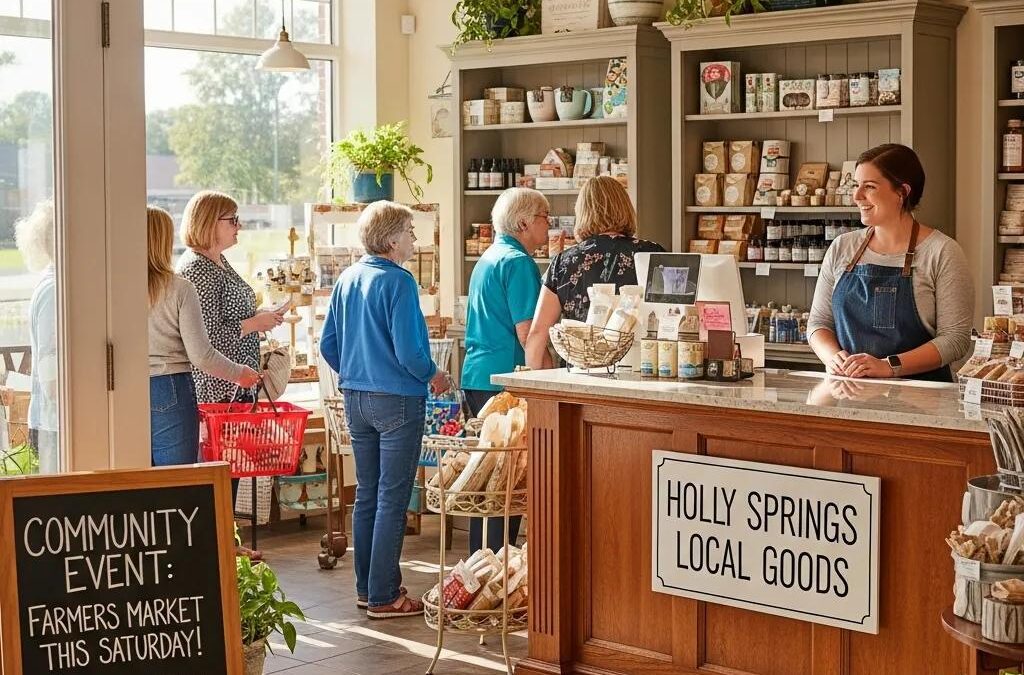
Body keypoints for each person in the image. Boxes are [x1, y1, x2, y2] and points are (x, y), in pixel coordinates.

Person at [320, 201, 449, 619]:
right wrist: (435, 374)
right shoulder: (400, 282)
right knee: (393, 498)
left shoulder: (347, 278)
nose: (414, 239)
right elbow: (410, 353)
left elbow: (328, 345)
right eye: (410, 231)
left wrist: (357, 371)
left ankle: (366, 589)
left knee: (367, 494)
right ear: (392, 240)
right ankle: (384, 596)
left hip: (355, 399)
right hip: (397, 400)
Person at [807, 143, 973, 381]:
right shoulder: (842, 247)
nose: (857, 196)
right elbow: (818, 323)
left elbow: (955, 340)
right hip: (849, 389)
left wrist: (889, 366)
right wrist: (833, 358)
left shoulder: (942, 252)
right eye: (856, 185)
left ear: (902, 192)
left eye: (869, 187)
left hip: (922, 396)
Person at [461, 187, 551, 556]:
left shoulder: (488, 257)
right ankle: (500, 565)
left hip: (476, 376)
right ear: (524, 222)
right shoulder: (518, 263)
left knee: (487, 481)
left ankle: (480, 563)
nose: (549, 226)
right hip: (505, 381)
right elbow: (529, 335)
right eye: (545, 218)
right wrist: (550, 379)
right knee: (508, 483)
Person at [147, 206, 260, 467]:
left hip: (126, 386)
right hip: (171, 386)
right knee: (178, 479)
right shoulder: (179, 288)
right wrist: (240, 374)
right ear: (164, 240)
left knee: (140, 480)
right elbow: (201, 355)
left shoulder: (117, 288)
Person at [524, 176, 665, 369]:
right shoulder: (653, 254)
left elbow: (537, 334)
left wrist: (536, 382)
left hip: (580, 373)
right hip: (643, 367)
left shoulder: (564, 262)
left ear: (582, 212)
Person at [176, 190, 285, 405]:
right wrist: (254, 323)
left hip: (236, 386)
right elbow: (207, 337)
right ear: (210, 222)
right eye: (233, 220)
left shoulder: (217, 260)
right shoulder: (198, 269)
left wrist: (258, 316)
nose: (239, 226)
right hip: (218, 391)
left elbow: (227, 314)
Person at [14, 200, 58, 473]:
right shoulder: (55, 290)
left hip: (53, 422)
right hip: (55, 424)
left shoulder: (55, 283)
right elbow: (50, 366)